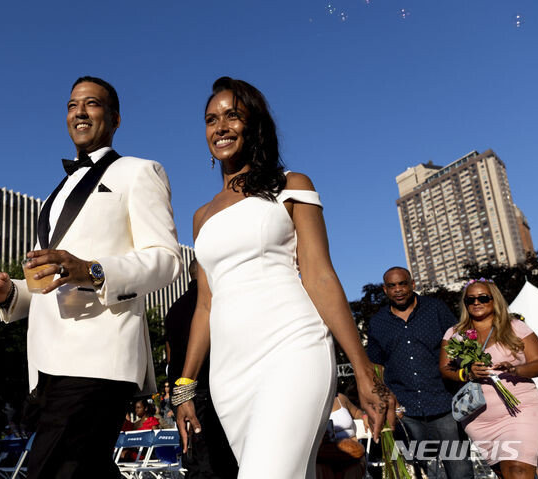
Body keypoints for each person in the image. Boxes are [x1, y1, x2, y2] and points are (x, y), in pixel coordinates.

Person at [174, 77, 396, 479]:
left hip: (292, 349)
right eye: (211, 119)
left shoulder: (291, 186)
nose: (220, 127)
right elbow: (205, 304)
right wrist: (184, 387)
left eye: (232, 116)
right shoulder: (201, 217)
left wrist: (363, 370)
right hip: (229, 374)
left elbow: (320, 276)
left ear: (254, 125)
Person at [0, 76, 182, 478]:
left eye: (92, 103)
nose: (79, 111)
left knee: (52, 470)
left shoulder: (139, 172)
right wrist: (8, 292)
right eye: (72, 105)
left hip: (100, 357)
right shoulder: (55, 194)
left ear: (115, 118)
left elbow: (167, 260)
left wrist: (93, 270)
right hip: (46, 366)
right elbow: (47, 285)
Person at [367, 267, 473, 478]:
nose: (398, 289)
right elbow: (375, 366)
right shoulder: (378, 322)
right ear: (385, 290)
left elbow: (459, 345)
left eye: (402, 284)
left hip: (445, 404)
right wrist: (384, 399)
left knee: (460, 471)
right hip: (406, 412)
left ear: (412, 284)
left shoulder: (436, 309)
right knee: (422, 473)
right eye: (392, 286)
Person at [439, 278, 538, 479]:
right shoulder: (455, 334)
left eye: (483, 298)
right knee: (506, 473)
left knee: (517, 469)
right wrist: (466, 373)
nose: (476, 302)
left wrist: (516, 369)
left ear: (494, 300)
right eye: (470, 300)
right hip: (479, 420)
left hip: (521, 410)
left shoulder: (515, 326)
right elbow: (444, 368)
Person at [165, 258, 237, 478]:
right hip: (212, 391)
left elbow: (169, 357)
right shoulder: (215, 301)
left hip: (183, 395)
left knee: (195, 463)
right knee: (223, 465)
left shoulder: (173, 310)